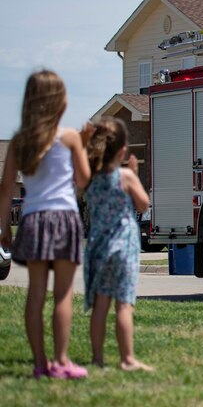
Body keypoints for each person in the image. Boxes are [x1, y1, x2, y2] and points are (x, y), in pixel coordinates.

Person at [0, 69, 93, 379]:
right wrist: (84, 144)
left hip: (32, 219)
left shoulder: (19, 141)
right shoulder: (69, 137)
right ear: (59, 101)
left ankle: (40, 364)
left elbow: (6, 188)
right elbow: (83, 180)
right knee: (62, 295)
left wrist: (4, 228)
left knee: (35, 294)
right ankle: (61, 361)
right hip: (63, 218)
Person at [83, 116, 153, 372]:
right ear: (122, 151)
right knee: (123, 303)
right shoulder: (125, 176)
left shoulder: (90, 179)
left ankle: (97, 359)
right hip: (123, 247)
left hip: (99, 248)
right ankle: (127, 359)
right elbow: (143, 205)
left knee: (101, 305)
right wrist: (134, 175)